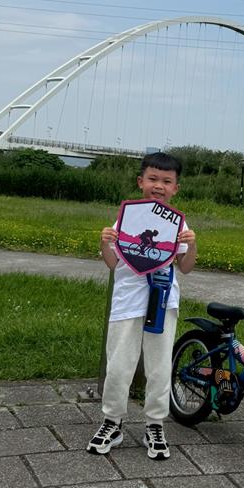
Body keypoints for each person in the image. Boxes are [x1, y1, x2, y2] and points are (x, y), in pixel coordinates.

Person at [87, 152, 196, 460]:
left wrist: (192, 243)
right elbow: (113, 263)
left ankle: (155, 424)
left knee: (160, 366)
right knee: (119, 364)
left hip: (163, 300)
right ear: (140, 182)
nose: (158, 186)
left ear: (176, 188)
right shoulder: (127, 217)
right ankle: (112, 421)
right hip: (128, 301)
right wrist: (105, 242)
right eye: (153, 179)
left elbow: (186, 266)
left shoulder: (178, 222)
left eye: (166, 181)